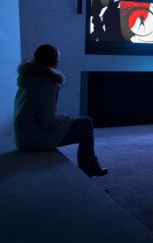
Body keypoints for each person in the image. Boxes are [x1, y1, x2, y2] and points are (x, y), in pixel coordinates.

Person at [14, 44, 108, 177]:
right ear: (54, 61)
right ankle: (88, 171)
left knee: (82, 123)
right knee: (85, 124)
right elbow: (48, 121)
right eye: (58, 58)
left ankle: (90, 166)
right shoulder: (47, 83)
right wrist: (65, 119)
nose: (59, 61)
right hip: (34, 138)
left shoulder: (27, 78)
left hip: (23, 137)